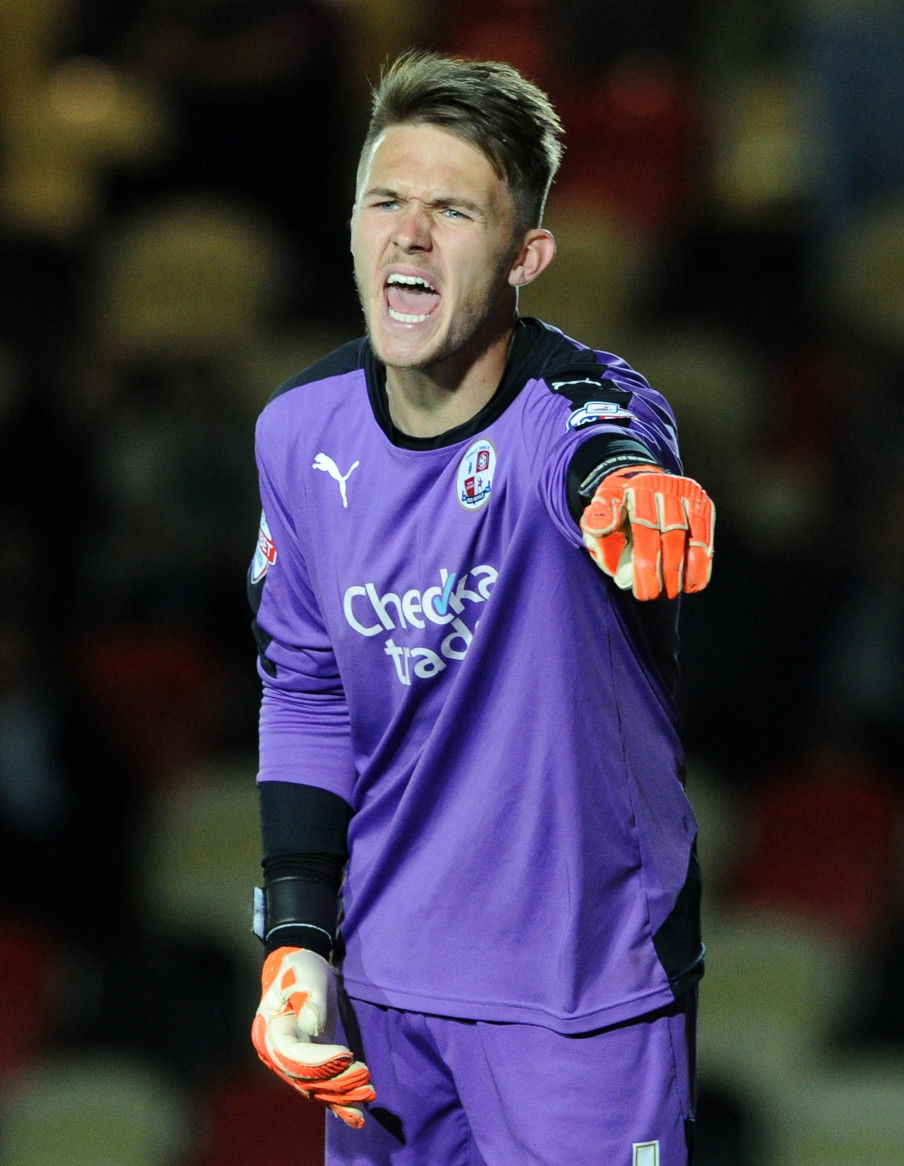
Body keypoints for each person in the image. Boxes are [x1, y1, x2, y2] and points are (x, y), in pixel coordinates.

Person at [247, 49, 714, 1166]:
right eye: (385, 201)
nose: (408, 235)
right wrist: (299, 934)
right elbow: (305, 689)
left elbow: (605, 441)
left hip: (581, 996)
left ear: (524, 254)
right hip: (382, 997)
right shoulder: (297, 429)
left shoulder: (570, 408)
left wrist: (624, 483)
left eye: (452, 210)